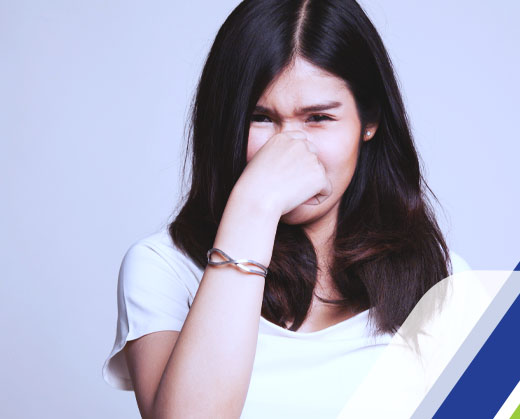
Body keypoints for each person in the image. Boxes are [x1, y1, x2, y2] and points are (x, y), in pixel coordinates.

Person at [102, 0, 470, 417]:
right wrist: (254, 206)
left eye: (318, 118)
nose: (288, 150)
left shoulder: (442, 277)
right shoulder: (165, 269)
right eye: (260, 118)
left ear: (368, 122)